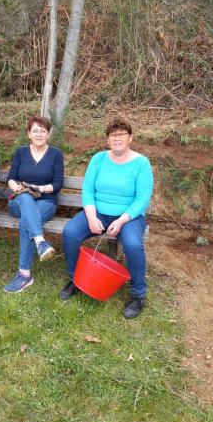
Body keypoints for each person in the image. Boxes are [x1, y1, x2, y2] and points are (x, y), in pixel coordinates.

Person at [60, 116, 153, 319]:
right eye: (113, 135)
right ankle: (75, 279)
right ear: (107, 140)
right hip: (98, 212)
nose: (117, 138)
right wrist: (92, 217)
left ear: (130, 138)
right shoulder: (99, 159)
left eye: (121, 134)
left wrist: (121, 221)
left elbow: (142, 199)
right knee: (70, 233)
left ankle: (138, 294)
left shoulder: (141, 163)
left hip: (129, 217)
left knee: (133, 244)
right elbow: (88, 191)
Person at [4, 116, 64, 293]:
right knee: (24, 197)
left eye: (42, 130)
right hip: (19, 202)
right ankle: (40, 241)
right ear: (29, 134)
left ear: (48, 133)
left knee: (26, 223)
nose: (39, 134)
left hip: (45, 202)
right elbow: (11, 178)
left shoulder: (55, 154)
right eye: (35, 131)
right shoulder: (21, 153)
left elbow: (58, 184)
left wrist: (40, 188)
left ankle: (24, 274)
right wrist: (17, 187)